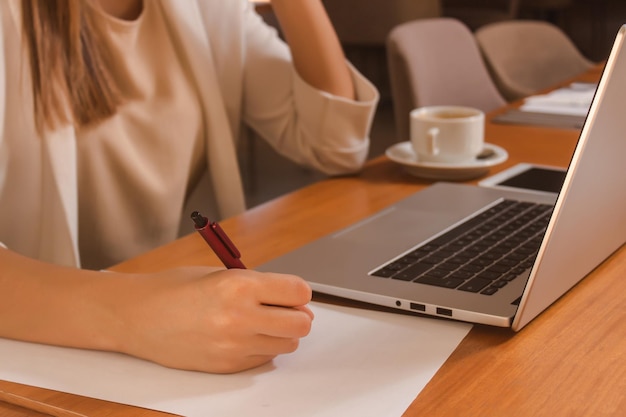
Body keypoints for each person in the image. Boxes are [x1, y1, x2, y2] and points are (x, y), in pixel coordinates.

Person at [0, 0, 378, 374]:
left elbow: (334, 144)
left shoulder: (210, 8)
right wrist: (138, 314)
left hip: (170, 339)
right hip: (42, 351)